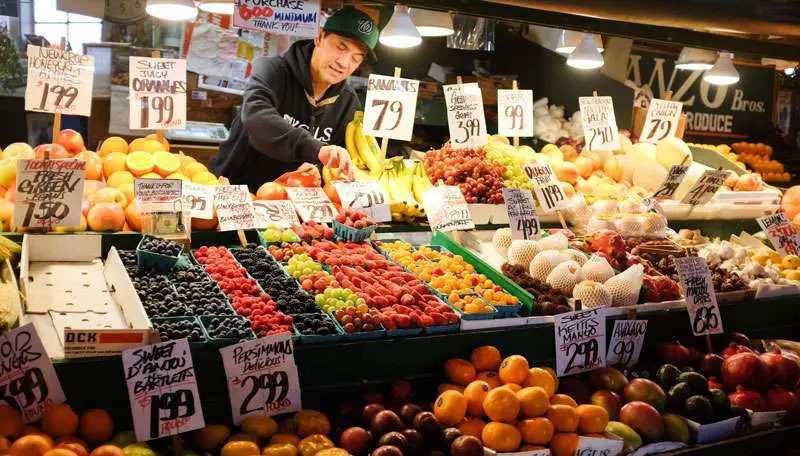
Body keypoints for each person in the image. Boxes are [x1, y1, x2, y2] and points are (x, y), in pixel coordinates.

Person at [210, 7, 378, 190]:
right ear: (320, 37)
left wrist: (317, 167)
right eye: (341, 47)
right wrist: (316, 149)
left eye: (356, 58)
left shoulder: (348, 104)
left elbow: (335, 159)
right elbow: (257, 117)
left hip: (291, 206)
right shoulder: (271, 71)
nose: (344, 63)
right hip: (233, 192)